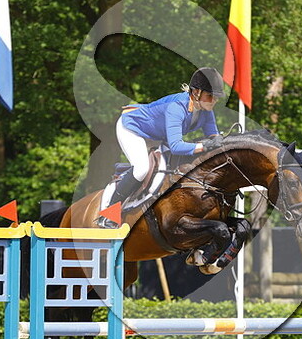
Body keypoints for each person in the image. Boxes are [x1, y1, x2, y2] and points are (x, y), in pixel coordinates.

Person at [97, 67, 226, 228]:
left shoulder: (206, 111)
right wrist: (204, 146)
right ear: (196, 93)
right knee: (142, 169)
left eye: (216, 97)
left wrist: (221, 141)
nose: (214, 100)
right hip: (132, 129)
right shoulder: (176, 107)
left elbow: (213, 136)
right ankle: (109, 213)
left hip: (156, 136)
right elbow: (176, 146)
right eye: (210, 96)